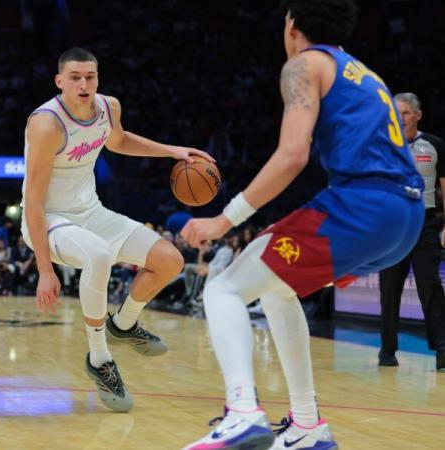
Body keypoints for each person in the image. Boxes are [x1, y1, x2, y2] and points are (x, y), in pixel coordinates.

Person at [181, 2, 424, 449]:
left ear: (292, 25)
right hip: (406, 216)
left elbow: (293, 154)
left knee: (224, 287)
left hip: (363, 204)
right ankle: (307, 424)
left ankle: (242, 411)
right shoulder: (364, 73)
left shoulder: (303, 64)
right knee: (277, 287)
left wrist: (224, 219)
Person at [21, 47, 210, 412]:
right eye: (74, 77)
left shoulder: (109, 107)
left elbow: (119, 141)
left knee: (169, 260)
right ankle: (99, 358)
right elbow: (32, 202)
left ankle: (123, 324)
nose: (83, 83)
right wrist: (44, 270)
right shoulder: (46, 124)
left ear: (98, 79)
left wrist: (174, 152)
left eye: (90, 76)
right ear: (59, 81)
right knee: (99, 254)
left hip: (91, 213)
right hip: (49, 220)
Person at [378, 92, 445, 369]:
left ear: (417, 116)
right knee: (389, 288)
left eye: (406, 113)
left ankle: (442, 347)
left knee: (430, 283)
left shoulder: (435, 145)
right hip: (393, 227)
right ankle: (388, 350)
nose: (400, 118)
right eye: (396, 113)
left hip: (426, 223)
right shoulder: (384, 146)